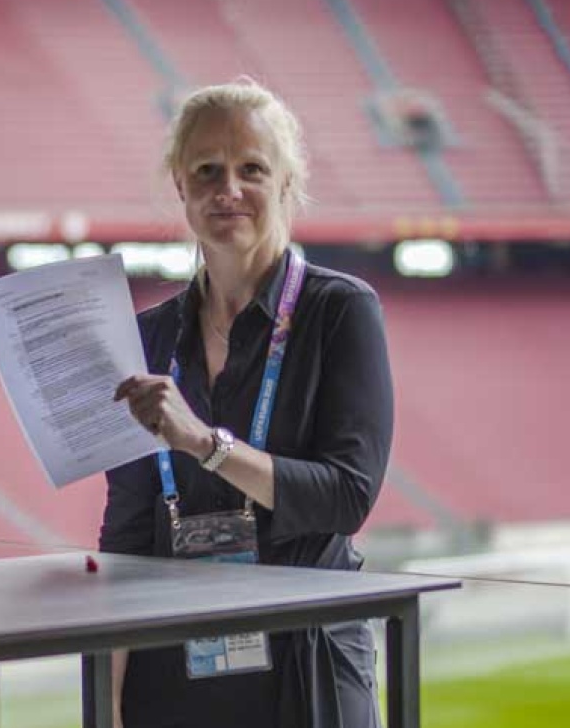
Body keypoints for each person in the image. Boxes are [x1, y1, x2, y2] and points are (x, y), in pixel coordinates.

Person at [105, 80, 395, 728]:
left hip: (307, 660)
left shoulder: (339, 310)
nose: (226, 189)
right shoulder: (148, 336)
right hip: (172, 667)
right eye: (206, 170)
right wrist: (107, 699)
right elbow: (126, 530)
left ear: (287, 183)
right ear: (180, 187)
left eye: (251, 169)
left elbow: (347, 497)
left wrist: (205, 444)